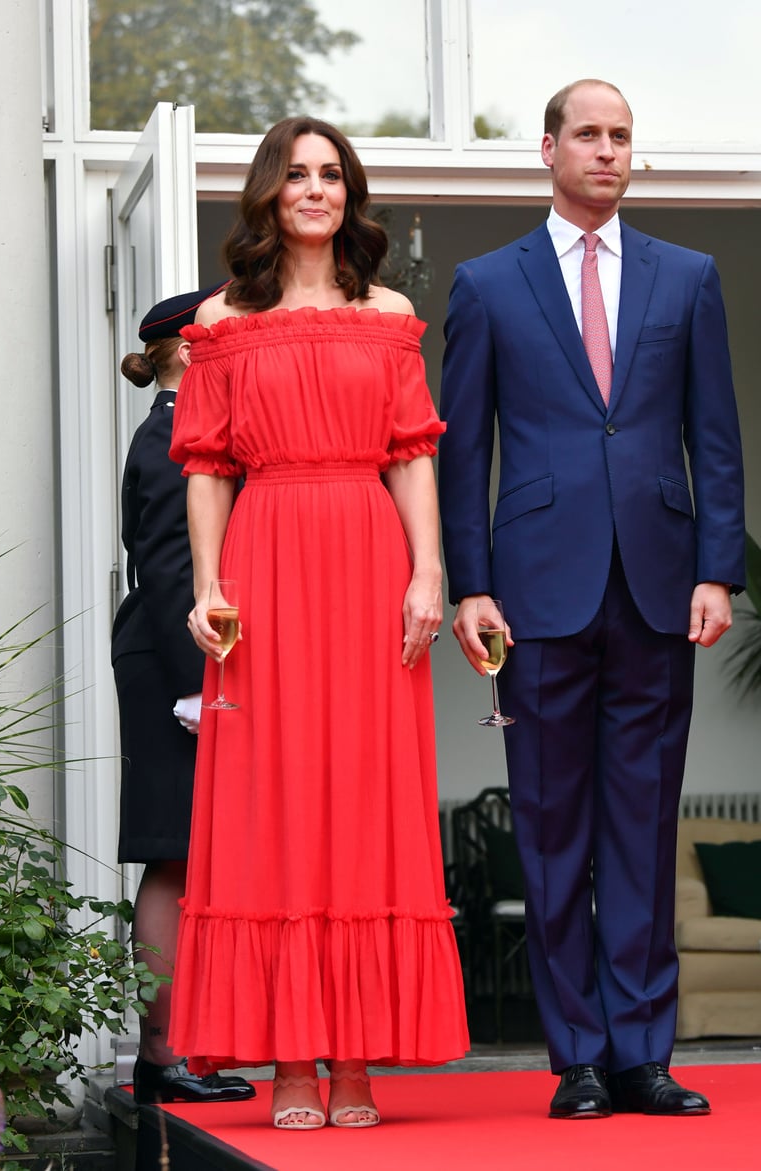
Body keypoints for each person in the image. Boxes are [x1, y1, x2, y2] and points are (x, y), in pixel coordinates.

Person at [439, 79, 745, 1119]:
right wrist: (470, 582)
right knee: (552, 824)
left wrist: (717, 567)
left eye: (622, 138)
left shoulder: (689, 276)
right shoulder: (486, 285)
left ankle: (641, 1053)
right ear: (547, 149)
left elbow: (715, 436)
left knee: (644, 823)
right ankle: (574, 1054)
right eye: (589, 135)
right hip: (534, 595)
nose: (608, 152)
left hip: (662, 588)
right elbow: (464, 451)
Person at [166, 115, 469, 1130]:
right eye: (295, 173)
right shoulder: (220, 321)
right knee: (276, 800)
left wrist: (429, 570)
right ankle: (293, 1060)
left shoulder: (388, 315)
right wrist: (207, 586)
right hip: (265, 565)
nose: (314, 189)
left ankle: (355, 1064)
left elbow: (413, 452)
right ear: (266, 192)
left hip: (368, 560)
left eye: (331, 174)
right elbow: (205, 465)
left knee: (368, 797)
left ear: (350, 194)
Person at [112, 285, 256, 1105]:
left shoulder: (179, 429)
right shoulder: (170, 435)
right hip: (175, 668)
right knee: (175, 853)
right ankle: (162, 1053)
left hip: (184, 664)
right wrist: (196, 689)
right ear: (194, 352)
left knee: (191, 855)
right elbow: (171, 577)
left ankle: (177, 1051)